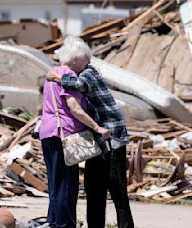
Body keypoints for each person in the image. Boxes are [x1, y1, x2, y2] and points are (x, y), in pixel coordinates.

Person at [47, 38, 134, 228]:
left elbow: (78, 85)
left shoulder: (88, 72)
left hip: (112, 137)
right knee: (94, 188)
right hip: (97, 138)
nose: (87, 60)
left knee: (117, 188)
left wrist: (58, 77)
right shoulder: (81, 70)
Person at [40, 36, 110, 227]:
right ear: (76, 58)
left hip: (48, 132)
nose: (88, 63)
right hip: (64, 134)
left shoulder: (52, 73)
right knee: (66, 185)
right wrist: (97, 127)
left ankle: (53, 221)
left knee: (55, 183)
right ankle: (64, 224)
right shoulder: (68, 76)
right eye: (86, 59)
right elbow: (75, 108)